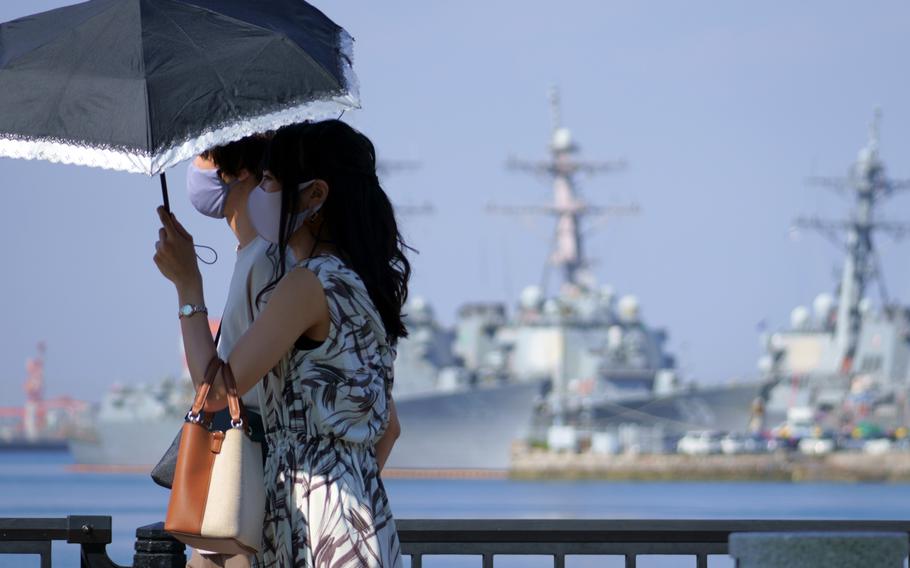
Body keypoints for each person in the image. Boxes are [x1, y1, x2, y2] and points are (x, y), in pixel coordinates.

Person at [154, 120, 407, 567]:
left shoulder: (305, 285)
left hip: (308, 528)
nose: (262, 193)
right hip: (364, 515)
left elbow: (215, 392)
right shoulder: (358, 283)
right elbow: (388, 427)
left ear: (315, 196)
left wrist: (188, 286)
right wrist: (341, 485)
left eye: (271, 182)